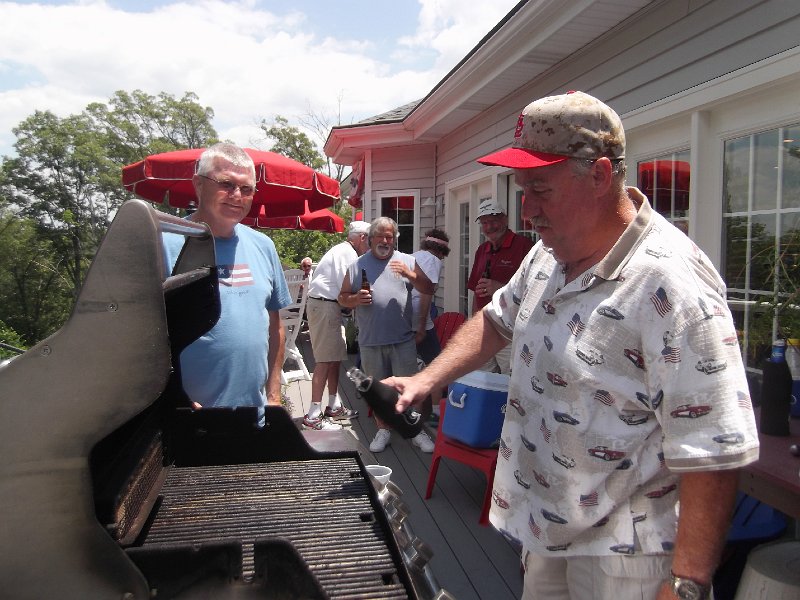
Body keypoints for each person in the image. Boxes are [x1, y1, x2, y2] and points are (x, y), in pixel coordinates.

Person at [388, 91, 759, 600]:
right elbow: (495, 321)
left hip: (629, 559)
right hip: (546, 529)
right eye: (522, 189)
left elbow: (714, 448)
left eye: (540, 188)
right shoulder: (547, 254)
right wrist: (427, 378)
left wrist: (686, 584)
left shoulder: (671, 283)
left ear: (600, 175)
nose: (527, 209)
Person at [161, 143, 292, 423]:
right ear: (198, 184)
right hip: (186, 419)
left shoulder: (263, 246)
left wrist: (273, 396)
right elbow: (139, 339)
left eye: (246, 189)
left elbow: (275, 326)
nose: (237, 196)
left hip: (255, 418)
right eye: (226, 184)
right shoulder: (164, 243)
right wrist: (173, 397)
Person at [338, 217, 437, 453]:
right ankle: (383, 430)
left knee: (411, 389)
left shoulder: (407, 261)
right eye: (380, 236)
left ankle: (416, 431)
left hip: (402, 340)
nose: (385, 241)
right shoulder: (357, 265)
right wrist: (355, 299)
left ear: (394, 239)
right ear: (370, 239)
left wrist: (410, 274)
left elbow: (429, 288)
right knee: (378, 393)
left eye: (389, 236)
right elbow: (342, 298)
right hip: (370, 341)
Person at [301, 221, 371, 430]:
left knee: (335, 359)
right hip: (325, 306)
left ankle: (334, 406)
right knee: (324, 361)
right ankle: (313, 415)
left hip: (329, 307)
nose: (369, 246)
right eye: (369, 240)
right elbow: (346, 288)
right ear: (362, 238)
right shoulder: (347, 254)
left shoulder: (345, 251)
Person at [467, 199, 533, 373]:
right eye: (484, 223)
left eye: (493, 221)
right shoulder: (482, 250)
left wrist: (500, 288)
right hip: (485, 329)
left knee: (510, 379)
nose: (489, 227)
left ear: (504, 219)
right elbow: (476, 291)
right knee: (483, 378)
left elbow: (535, 289)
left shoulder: (523, 246)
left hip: (509, 331)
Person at [412, 228, 450, 422]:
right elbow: (426, 294)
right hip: (419, 321)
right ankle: (435, 412)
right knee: (437, 367)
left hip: (402, 320)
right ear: (440, 251)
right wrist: (421, 327)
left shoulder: (413, 256)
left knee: (408, 367)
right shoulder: (433, 261)